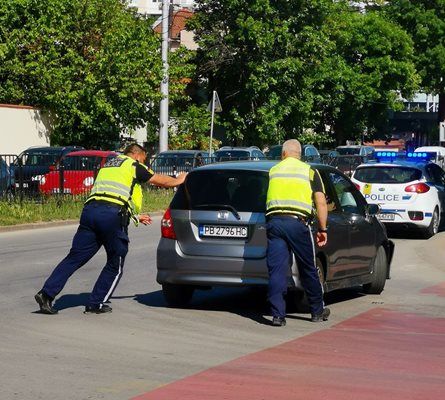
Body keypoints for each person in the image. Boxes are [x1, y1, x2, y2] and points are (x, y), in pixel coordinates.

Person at [34, 144, 187, 315]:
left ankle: (46, 294)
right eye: (144, 159)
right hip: (111, 216)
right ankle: (96, 303)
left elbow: (112, 194)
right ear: (137, 155)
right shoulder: (132, 165)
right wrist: (178, 179)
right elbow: (161, 181)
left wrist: (135, 216)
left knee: (75, 257)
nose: (145, 163)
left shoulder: (109, 164)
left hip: (90, 212)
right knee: (116, 262)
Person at [265, 139, 329, 326]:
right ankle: (317, 311)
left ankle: (278, 315)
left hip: (275, 224)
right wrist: (323, 228)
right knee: (308, 267)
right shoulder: (309, 171)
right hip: (298, 224)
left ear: (283, 154)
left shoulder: (274, 170)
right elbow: (321, 202)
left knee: (276, 270)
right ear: (300, 154)